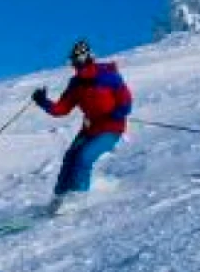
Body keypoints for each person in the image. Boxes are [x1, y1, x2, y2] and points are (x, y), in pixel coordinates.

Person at [31, 40, 133, 211]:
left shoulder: (107, 76)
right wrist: (43, 101)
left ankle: (77, 198)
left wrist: (115, 114)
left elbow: (126, 102)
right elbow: (61, 108)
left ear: (88, 57)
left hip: (110, 128)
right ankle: (59, 198)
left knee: (83, 158)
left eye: (78, 59)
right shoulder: (76, 83)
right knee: (70, 158)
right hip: (90, 129)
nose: (75, 63)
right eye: (73, 60)